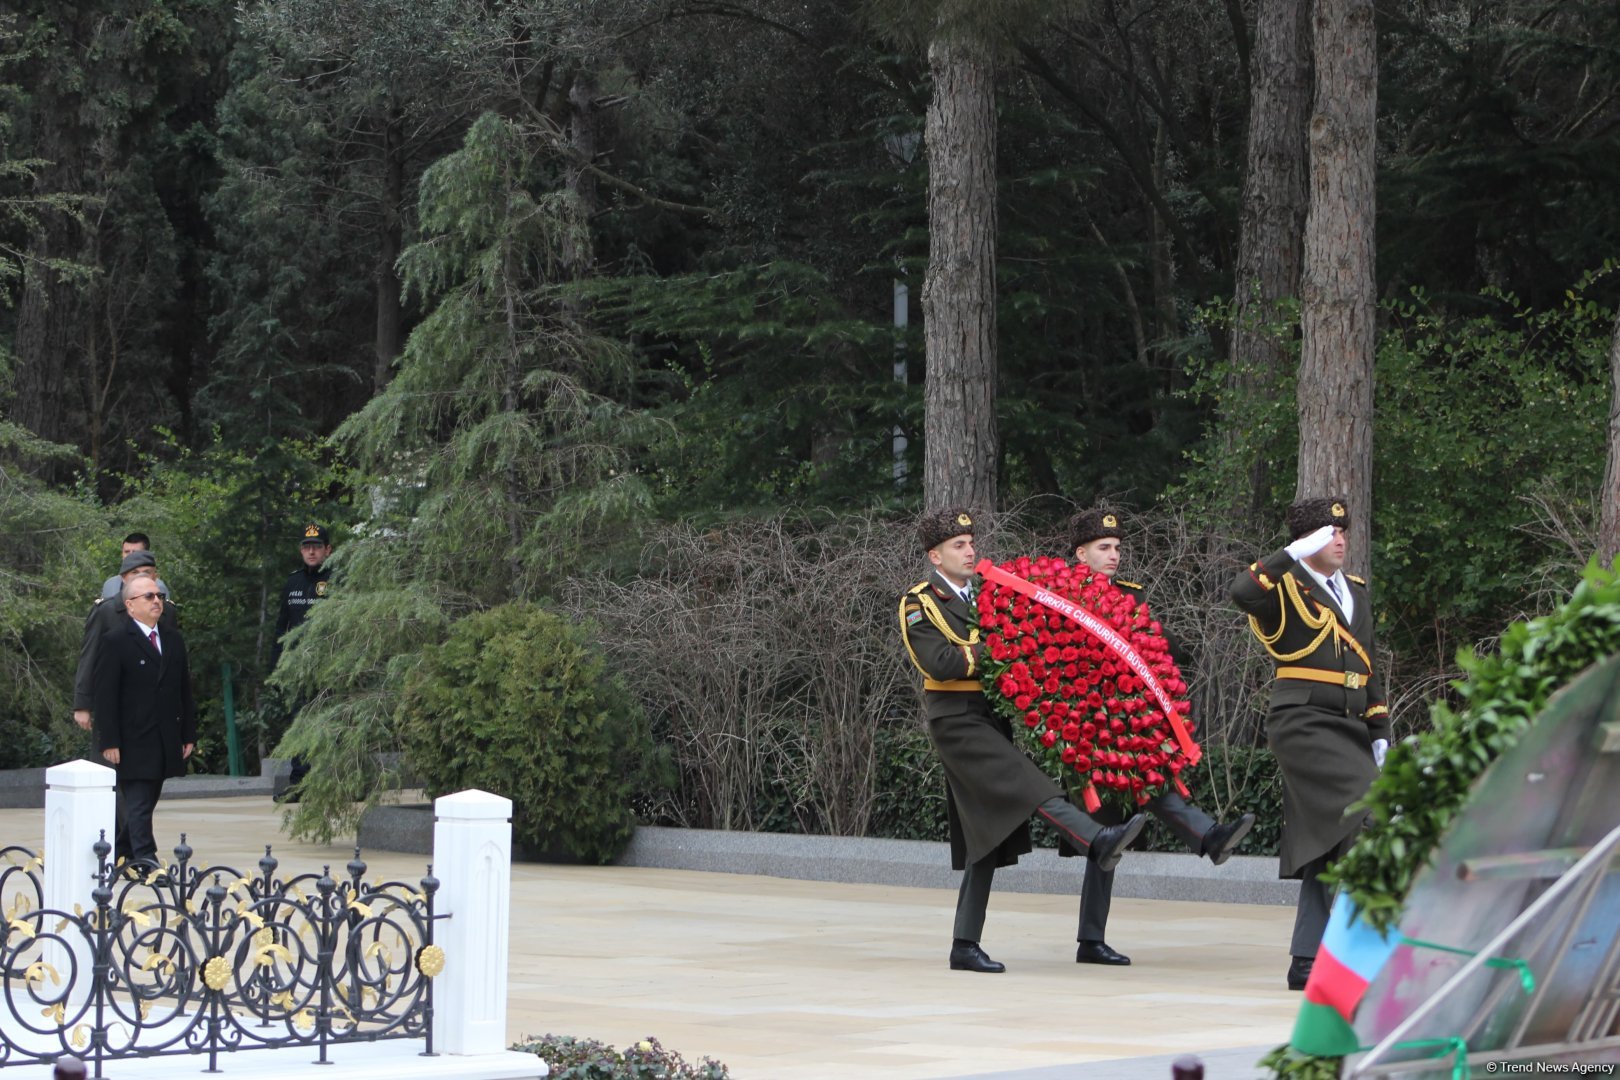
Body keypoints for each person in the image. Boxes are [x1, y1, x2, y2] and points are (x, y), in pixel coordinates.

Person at [899, 507, 1147, 974]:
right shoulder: (921, 602)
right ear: (935, 555)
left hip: (992, 714)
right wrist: (1004, 646)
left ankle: (964, 945)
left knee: (986, 835)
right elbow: (942, 664)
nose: (970, 550)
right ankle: (1096, 838)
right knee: (1027, 781)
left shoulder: (989, 594)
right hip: (955, 719)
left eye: (971, 542)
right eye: (958, 545)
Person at [1061, 508, 1256, 967]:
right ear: (1080, 553)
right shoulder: (1061, 596)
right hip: (1086, 724)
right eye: (1103, 548)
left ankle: (1092, 939)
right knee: (1109, 828)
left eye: (1117, 548)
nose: (1113, 556)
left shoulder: (1130, 596)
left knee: (1116, 828)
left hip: (1129, 720)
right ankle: (1209, 838)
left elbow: (1158, 643)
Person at [1229, 497, 1390, 991]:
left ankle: (1306, 961)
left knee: (1327, 842)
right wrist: (1289, 554)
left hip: (1349, 724)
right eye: (1327, 533)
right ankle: (1364, 951)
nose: (1339, 540)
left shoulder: (1356, 592)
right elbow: (1240, 592)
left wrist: (1380, 729)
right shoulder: (1284, 587)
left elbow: (1370, 666)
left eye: (1342, 531)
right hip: (1302, 721)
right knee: (1370, 814)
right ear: (1306, 542)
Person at [92, 575, 196, 866]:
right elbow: (105, 696)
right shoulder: (115, 641)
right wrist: (109, 740)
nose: (156, 601)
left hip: (164, 735)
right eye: (148, 596)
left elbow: (183, 690)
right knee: (138, 802)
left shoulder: (172, 638)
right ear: (130, 604)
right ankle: (146, 861)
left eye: (159, 596)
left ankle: (124, 851)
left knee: (147, 802)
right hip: (132, 737)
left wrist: (188, 733)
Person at [73, 551, 179, 733]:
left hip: (157, 704)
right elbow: (89, 655)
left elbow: (174, 663)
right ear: (124, 578)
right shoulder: (106, 611)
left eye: (147, 572)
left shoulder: (166, 611)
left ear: (156, 576)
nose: (142, 577)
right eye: (135, 572)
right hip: (117, 702)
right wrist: (82, 704)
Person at [272, 524, 333, 668]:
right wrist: (274, 666)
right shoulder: (293, 581)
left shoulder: (337, 579)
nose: (311, 552)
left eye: (317, 546)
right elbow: (281, 628)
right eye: (307, 547)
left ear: (327, 550)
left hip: (328, 664)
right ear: (301, 550)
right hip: (296, 664)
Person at [98, 533, 171, 602]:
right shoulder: (110, 584)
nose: (130, 556)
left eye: (135, 552)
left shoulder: (157, 587)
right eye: (127, 552)